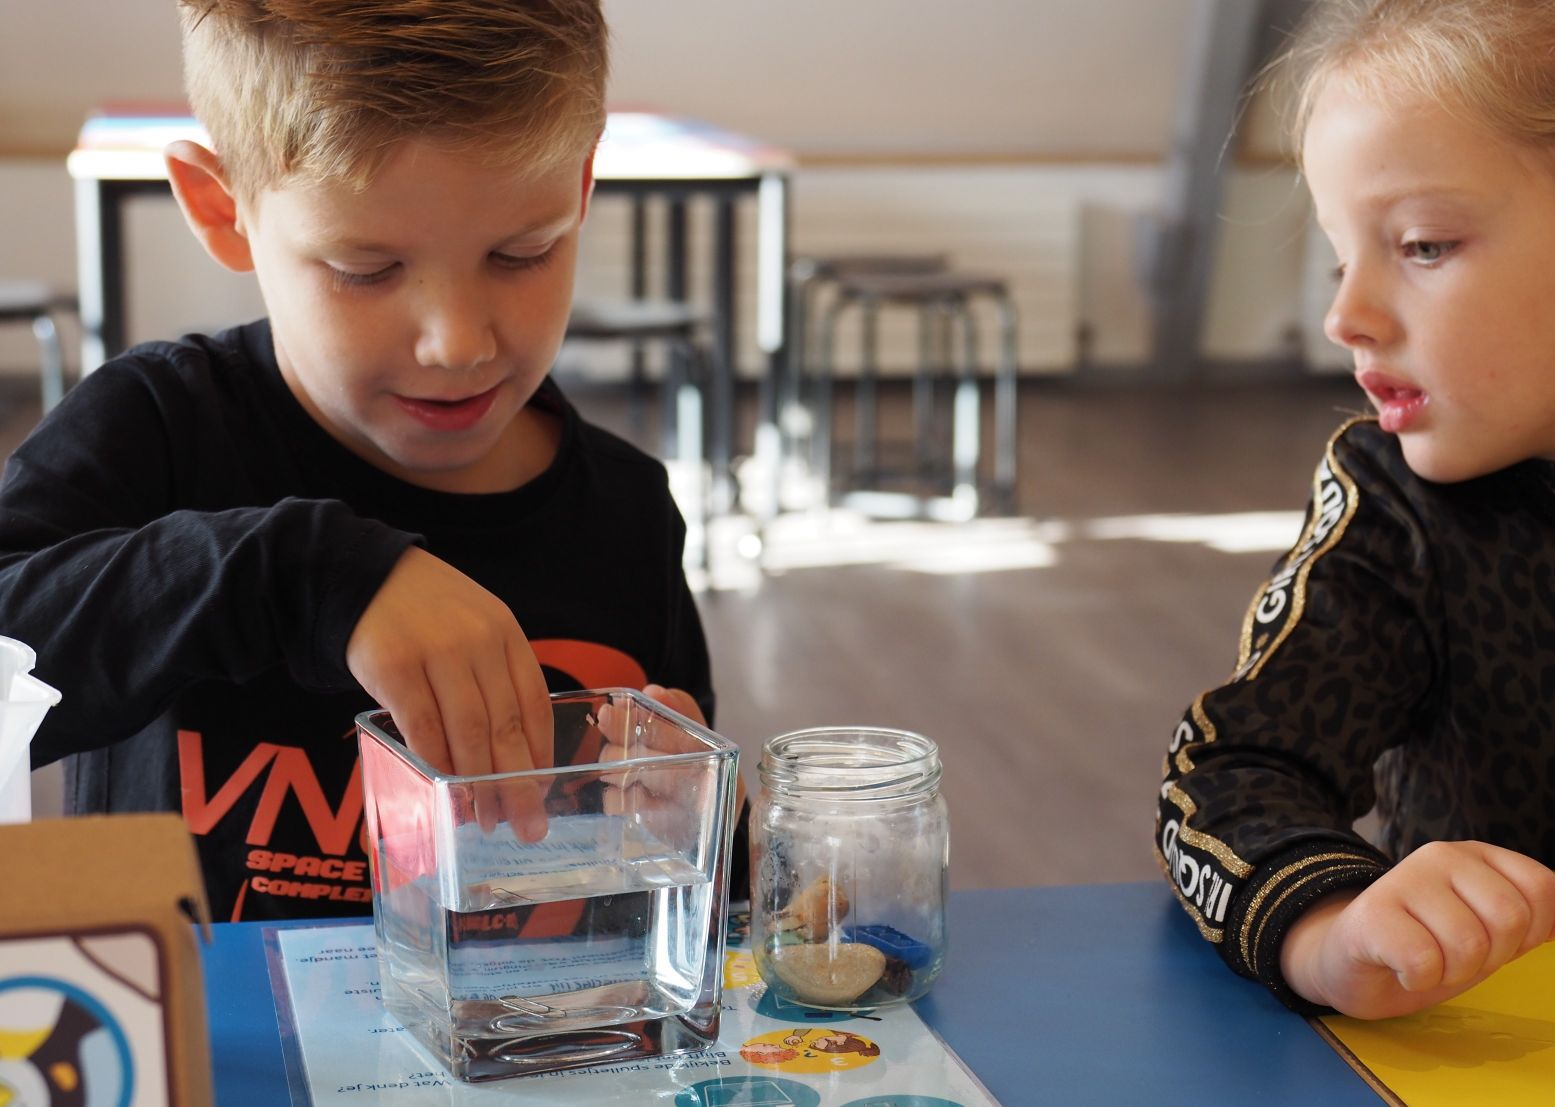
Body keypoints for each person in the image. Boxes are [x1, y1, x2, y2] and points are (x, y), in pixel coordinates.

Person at [2, 0, 739, 922]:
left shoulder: (627, 510)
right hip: (204, 1055)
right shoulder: (160, 428)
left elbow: (686, 898)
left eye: (523, 252)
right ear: (220, 208)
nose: (457, 343)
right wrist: (307, 572)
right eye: (365, 269)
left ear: (582, 185)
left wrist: (695, 825)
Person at [1155, 0, 1555, 1020]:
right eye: (1342, 257)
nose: (1345, 316)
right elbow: (1230, 775)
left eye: (1421, 245)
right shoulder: (1402, 505)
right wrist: (1328, 931)